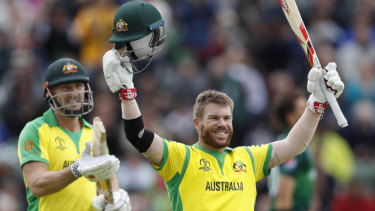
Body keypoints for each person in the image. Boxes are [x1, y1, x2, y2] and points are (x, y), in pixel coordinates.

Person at [102, 1, 344, 210]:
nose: (222, 124)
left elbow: (295, 144)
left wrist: (317, 103)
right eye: (214, 118)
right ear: (197, 123)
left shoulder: (247, 158)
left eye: (227, 118)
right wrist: (127, 93)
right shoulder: (181, 158)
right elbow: (138, 136)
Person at [17, 58, 131, 211]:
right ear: (49, 93)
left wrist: (114, 199)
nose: (75, 93)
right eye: (66, 87)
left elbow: (107, 178)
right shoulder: (35, 130)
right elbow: (37, 184)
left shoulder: (93, 132)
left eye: (78, 85)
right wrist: (75, 170)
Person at [268, 89, 317, 211]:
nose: (310, 112)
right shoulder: (293, 147)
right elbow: (283, 198)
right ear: (290, 118)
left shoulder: (298, 144)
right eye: (304, 109)